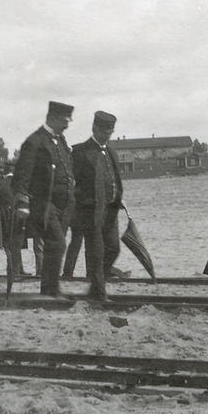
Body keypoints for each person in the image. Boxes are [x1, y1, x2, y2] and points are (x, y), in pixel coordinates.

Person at [12, 101, 75, 297]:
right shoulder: (34, 142)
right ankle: (52, 290)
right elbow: (22, 175)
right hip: (44, 204)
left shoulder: (61, 140)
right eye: (65, 121)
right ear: (53, 118)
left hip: (64, 204)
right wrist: (23, 203)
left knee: (53, 247)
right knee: (58, 244)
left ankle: (47, 290)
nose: (67, 125)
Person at [70, 111, 123, 301]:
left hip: (111, 211)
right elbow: (73, 183)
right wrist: (83, 202)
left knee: (113, 249)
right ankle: (99, 294)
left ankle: (95, 284)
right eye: (105, 133)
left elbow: (114, 179)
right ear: (95, 129)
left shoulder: (112, 152)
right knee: (96, 252)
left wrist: (118, 197)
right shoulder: (80, 152)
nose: (108, 136)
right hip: (91, 212)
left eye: (111, 132)